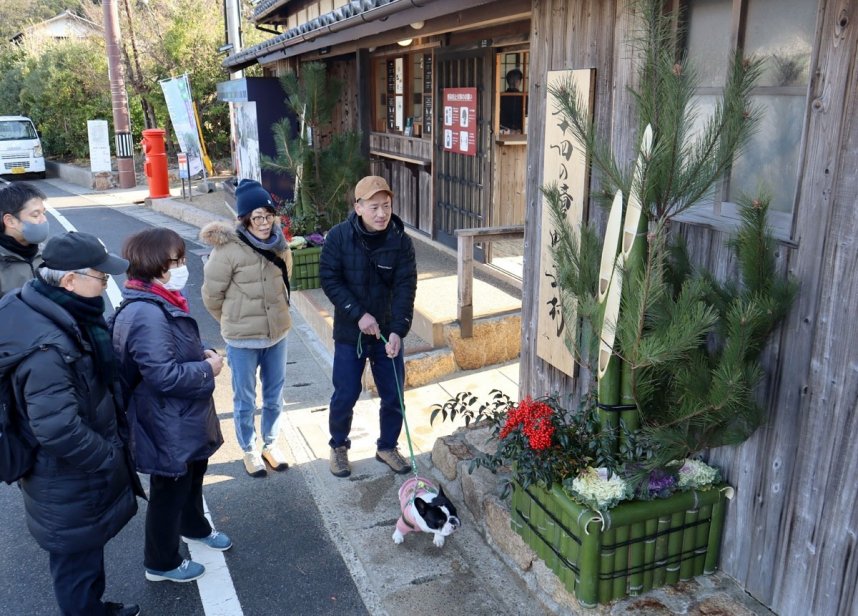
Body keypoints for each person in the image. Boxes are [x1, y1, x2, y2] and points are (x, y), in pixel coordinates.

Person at [0, 231, 142, 616]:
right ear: (69, 280)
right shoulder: (49, 349)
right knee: (76, 567)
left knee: (83, 557)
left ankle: (94, 609)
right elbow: (58, 428)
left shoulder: (53, 310)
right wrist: (109, 457)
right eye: (101, 277)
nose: (107, 283)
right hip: (66, 477)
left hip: (70, 477)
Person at [111, 227, 230, 583]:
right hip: (165, 421)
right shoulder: (147, 313)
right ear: (156, 265)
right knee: (169, 490)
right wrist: (206, 368)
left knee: (192, 477)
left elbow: (172, 347)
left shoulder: (161, 301)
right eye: (176, 260)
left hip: (181, 418)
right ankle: (160, 562)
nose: (182, 266)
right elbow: (163, 376)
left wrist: (202, 350)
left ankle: (194, 526)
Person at [319, 175, 417, 478]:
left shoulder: (401, 241)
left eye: (386, 206)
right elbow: (329, 279)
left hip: (387, 333)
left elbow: (405, 286)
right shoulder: (338, 237)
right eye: (374, 207)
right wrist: (358, 314)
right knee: (345, 393)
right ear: (358, 207)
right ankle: (338, 445)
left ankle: (387, 445)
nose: (381, 214)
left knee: (393, 394)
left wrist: (398, 330)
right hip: (351, 333)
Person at [200, 179, 293, 478]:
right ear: (244, 219)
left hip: (277, 333)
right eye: (257, 217)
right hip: (242, 340)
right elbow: (211, 296)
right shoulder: (227, 249)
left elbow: (285, 280)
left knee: (275, 394)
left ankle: (270, 443)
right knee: (245, 398)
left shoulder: (280, 244)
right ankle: (249, 449)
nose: (264, 222)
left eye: (268, 215)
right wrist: (233, 322)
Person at [0, 182, 48, 297]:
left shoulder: (46, 254)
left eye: (44, 213)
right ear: (10, 221)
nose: (44, 220)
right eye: (35, 215)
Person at [499, 68, 525, 132]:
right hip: (521, 131)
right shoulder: (524, 97)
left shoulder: (500, 97)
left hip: (503, 130)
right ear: (518, 82)